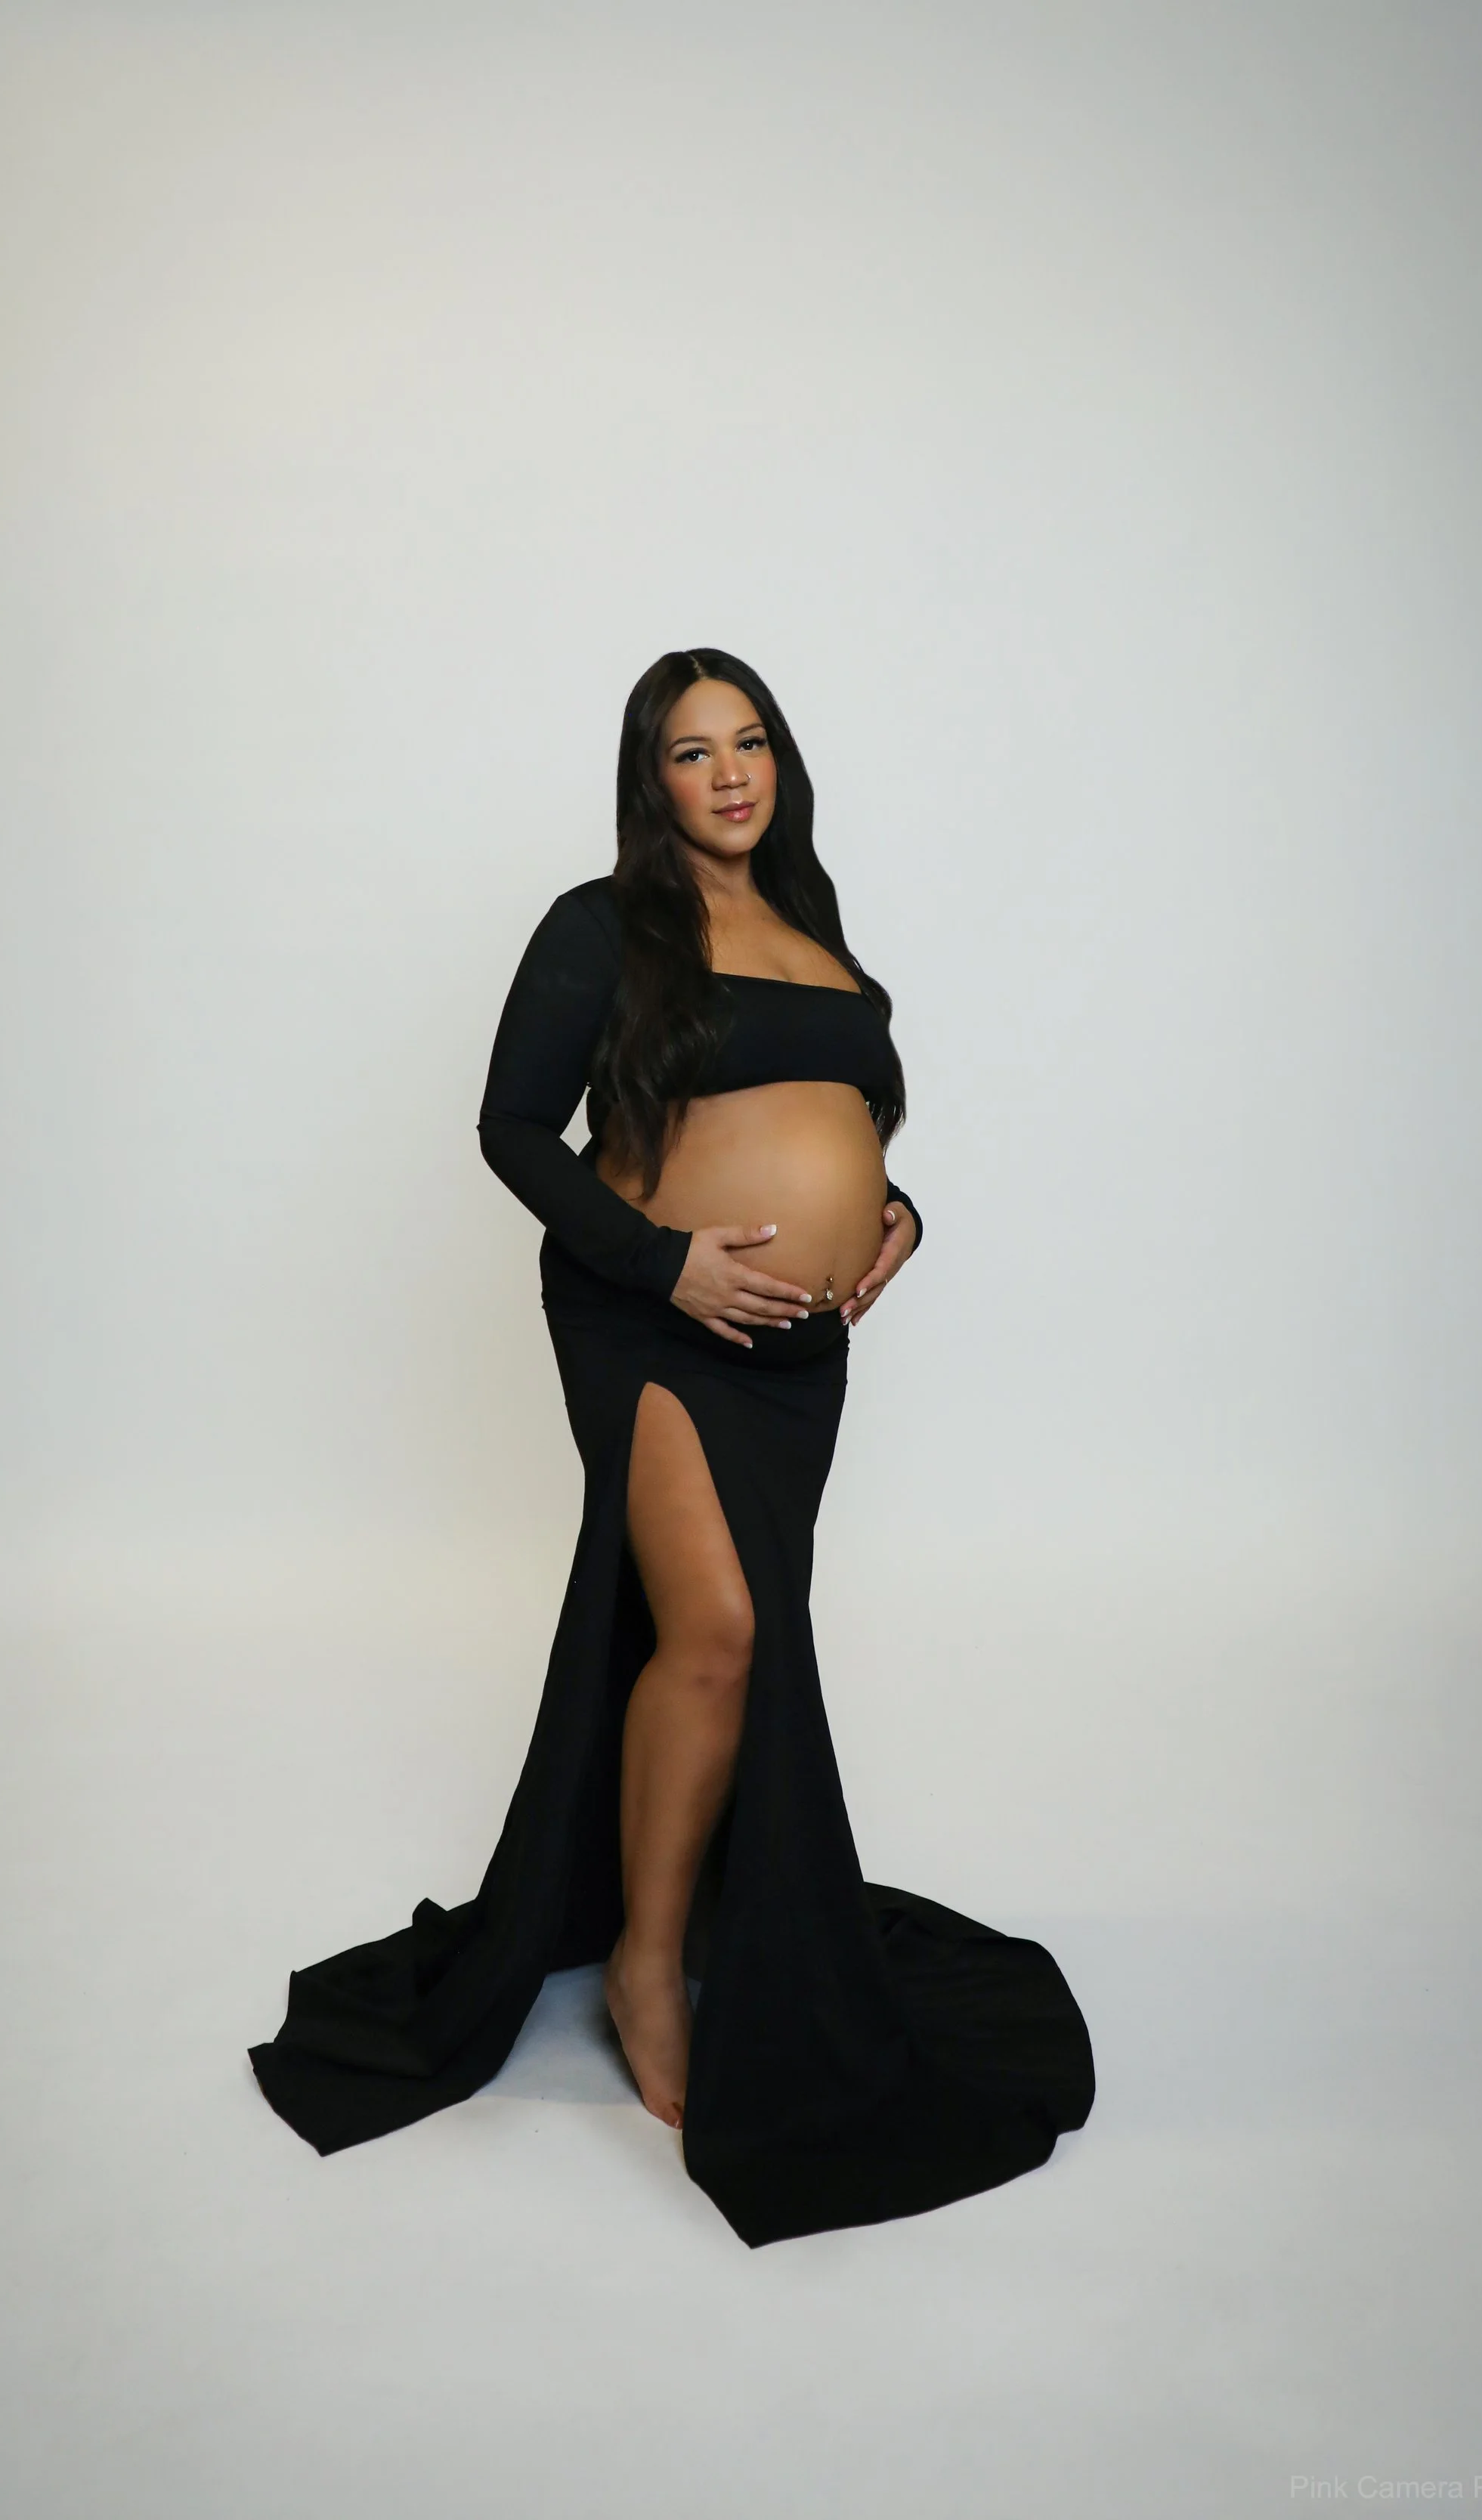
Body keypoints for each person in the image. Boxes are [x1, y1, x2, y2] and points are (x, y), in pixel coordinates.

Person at [248, 649, 1095, 2247]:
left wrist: (890, 1207)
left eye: (748, 740)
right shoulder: (603, 923)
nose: (726, 772)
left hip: (797, 1351)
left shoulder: (813, 927)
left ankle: (687, 1908)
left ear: (779, 760)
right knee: (713, 1628)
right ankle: (645, 1958)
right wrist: (664, 1261)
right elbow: (511, 1129)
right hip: (650, 1319)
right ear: (648, 777)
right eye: (690, 749)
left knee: (735, 1636)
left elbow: (852, 1111)